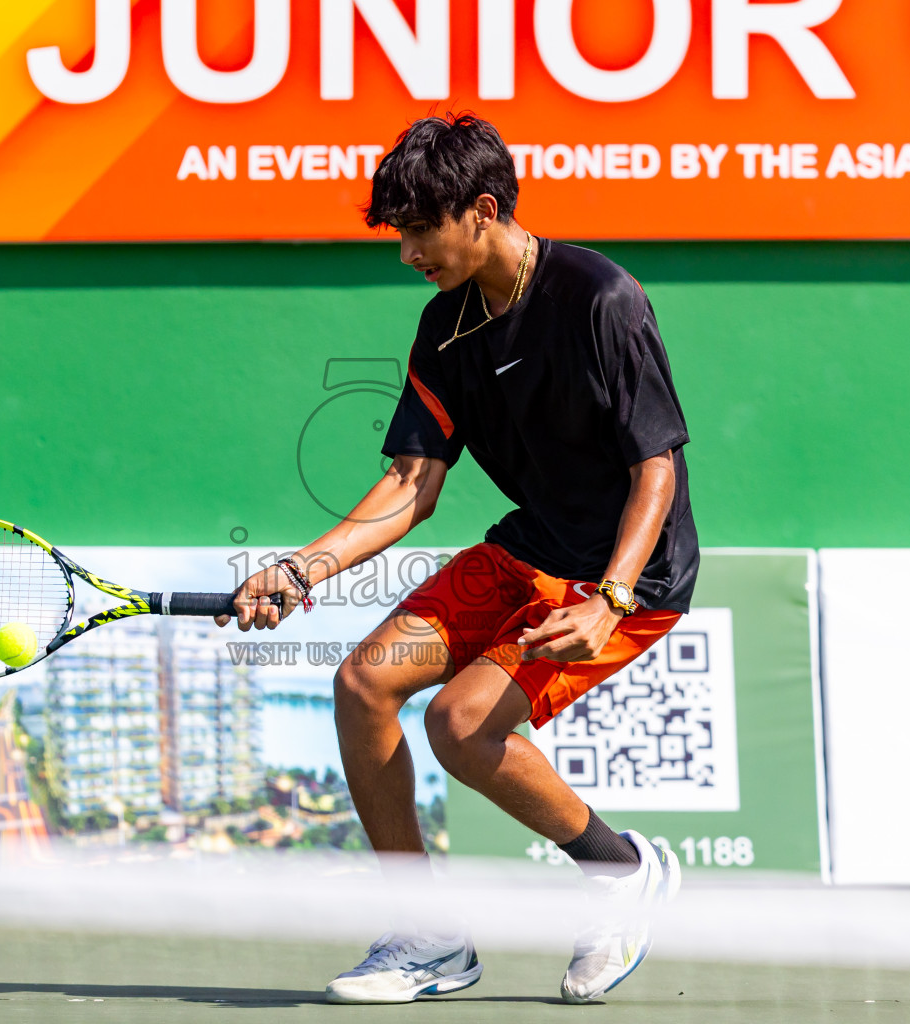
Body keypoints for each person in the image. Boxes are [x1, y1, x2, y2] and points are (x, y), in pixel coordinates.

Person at [215, 113, 699, 1005]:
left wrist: (613, 598)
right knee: (364, 683)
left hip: (631, 572)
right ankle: (426, 932)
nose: (407, 252)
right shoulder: (445, 328)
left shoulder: (602, 299)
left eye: (418, 230)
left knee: (462, 724)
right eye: (398, 233)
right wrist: (300, 570)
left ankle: (620, 871)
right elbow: (411, 483)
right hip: (532, 546)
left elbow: (655, 468)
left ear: (482, 211)